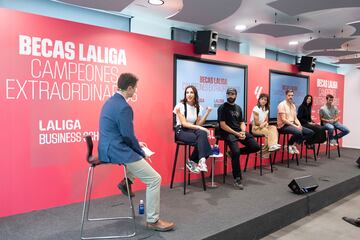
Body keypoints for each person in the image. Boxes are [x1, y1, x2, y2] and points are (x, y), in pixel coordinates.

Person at [98, 73, 175, 231]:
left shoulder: (110, 101)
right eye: (135, 88)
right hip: (116, 151)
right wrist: (140, 150)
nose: (135, 92)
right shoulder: (124, 107)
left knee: (139, 153)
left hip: (108, 147)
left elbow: (122, 133)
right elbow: (127, 135)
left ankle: (127, 182)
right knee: (154, 179)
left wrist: (137, 146)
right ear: (130, 87)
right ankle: (153, 220)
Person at [218, 88, 260, 190]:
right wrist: (236, 133)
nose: (231, 96)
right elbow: (222, 125)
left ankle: (231, 153)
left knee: (255, 146)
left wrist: (242, 131)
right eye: (229, 94)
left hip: (238, 132)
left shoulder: (238, 108)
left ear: (236, 95)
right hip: (227, 133)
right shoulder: (222, 108)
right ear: (226, 95)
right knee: (236, 152)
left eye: (233, 94)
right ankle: (237, 178)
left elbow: (242, 122)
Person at [173, 85, 213, 173]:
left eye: (191, 92)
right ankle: (192, 161)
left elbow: (198, 124)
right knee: (203, 142)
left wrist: (207, 113)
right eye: (187, 92)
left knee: (202, 135)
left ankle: (201, 161)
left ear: (195, 94)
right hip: (182, 131)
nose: (189, 95)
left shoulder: (198, 107)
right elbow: (184, 123)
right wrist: (201, 128)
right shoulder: (180, 106)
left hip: (192, 130)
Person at [277, 89, 314, 154]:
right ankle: (288, 145)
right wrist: (295, 126)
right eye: (289, 95)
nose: (291, 97)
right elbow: (284, 120)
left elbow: (295, 118)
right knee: (298, 132)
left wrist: (299, 125)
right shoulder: (282, 104)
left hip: (292, 124)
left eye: (292, 95)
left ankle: (293, 144)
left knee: (310, 132)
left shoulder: (293, 105)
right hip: (283, 126)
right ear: (286, 95)